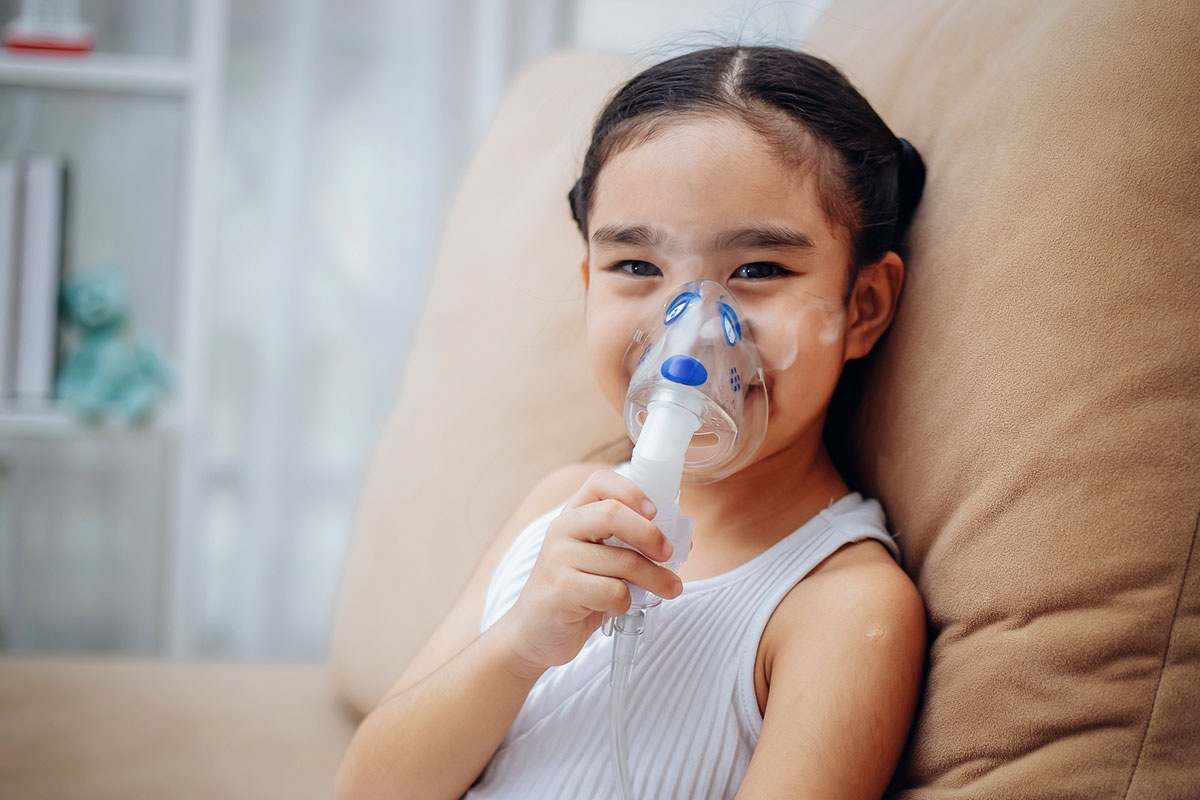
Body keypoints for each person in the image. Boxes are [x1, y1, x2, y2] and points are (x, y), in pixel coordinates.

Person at [336, 45, 927, 800]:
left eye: (758, 270)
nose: (693, 333)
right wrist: (520, 646)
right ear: (588, 285)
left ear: (863, 306)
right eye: (638, 268)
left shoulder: (840, 605)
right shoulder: (561, 503)